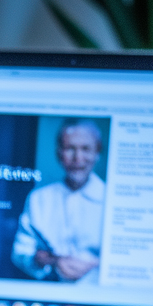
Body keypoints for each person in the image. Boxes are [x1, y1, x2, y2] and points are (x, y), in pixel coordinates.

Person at [11, 119, 106, 283]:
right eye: (70, 149)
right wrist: (52, 261)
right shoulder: (39, 198)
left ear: (97, 153)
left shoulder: (112, 199)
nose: (78, 158)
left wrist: (98, 265)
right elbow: (20, 253)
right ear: (59, 153)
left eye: (86, 149)